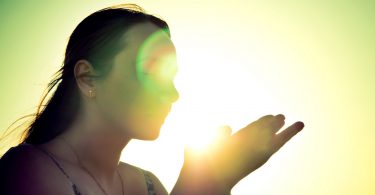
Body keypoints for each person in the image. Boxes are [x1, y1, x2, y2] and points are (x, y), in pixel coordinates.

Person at [0, 4, 305, 195]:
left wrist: (216, 180)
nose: (173, 94)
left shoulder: (149, 186)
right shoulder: (27, 170)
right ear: (87, 78)